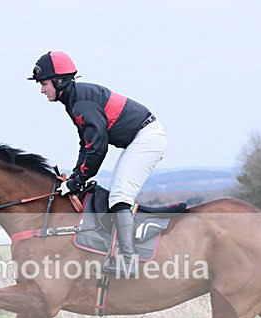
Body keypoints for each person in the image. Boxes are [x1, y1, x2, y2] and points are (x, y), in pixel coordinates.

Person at [28, 51, 167, 276]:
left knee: (120, 195)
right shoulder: (75, 100)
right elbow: (87, 143)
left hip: (146, 137)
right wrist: (76, 176)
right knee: (116, 193)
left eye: (44, 84)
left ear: (59, 80)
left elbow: (98, 146)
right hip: (141, 137)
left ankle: (129, 261)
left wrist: (79, 179)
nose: (42, 90)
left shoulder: (81, 102)